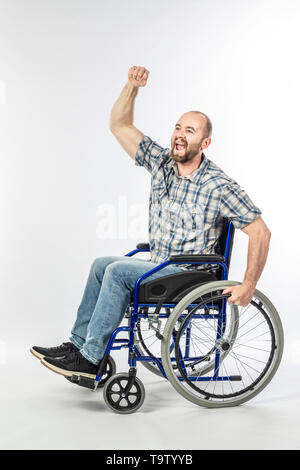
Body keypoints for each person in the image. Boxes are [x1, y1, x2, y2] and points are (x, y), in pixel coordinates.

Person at [30, 65, 271, 380]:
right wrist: (132, 87)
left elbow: (260, 232)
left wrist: (249, 285)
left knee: (118, 272)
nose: (179, 135)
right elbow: (119, 124)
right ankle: (78, 346)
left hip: (188, 274)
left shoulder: (219, 185)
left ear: (205, 143)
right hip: (161, 266)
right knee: (102, 264)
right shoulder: (162, 164)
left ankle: (90, 359)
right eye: (178, 128)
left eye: (190, 131)